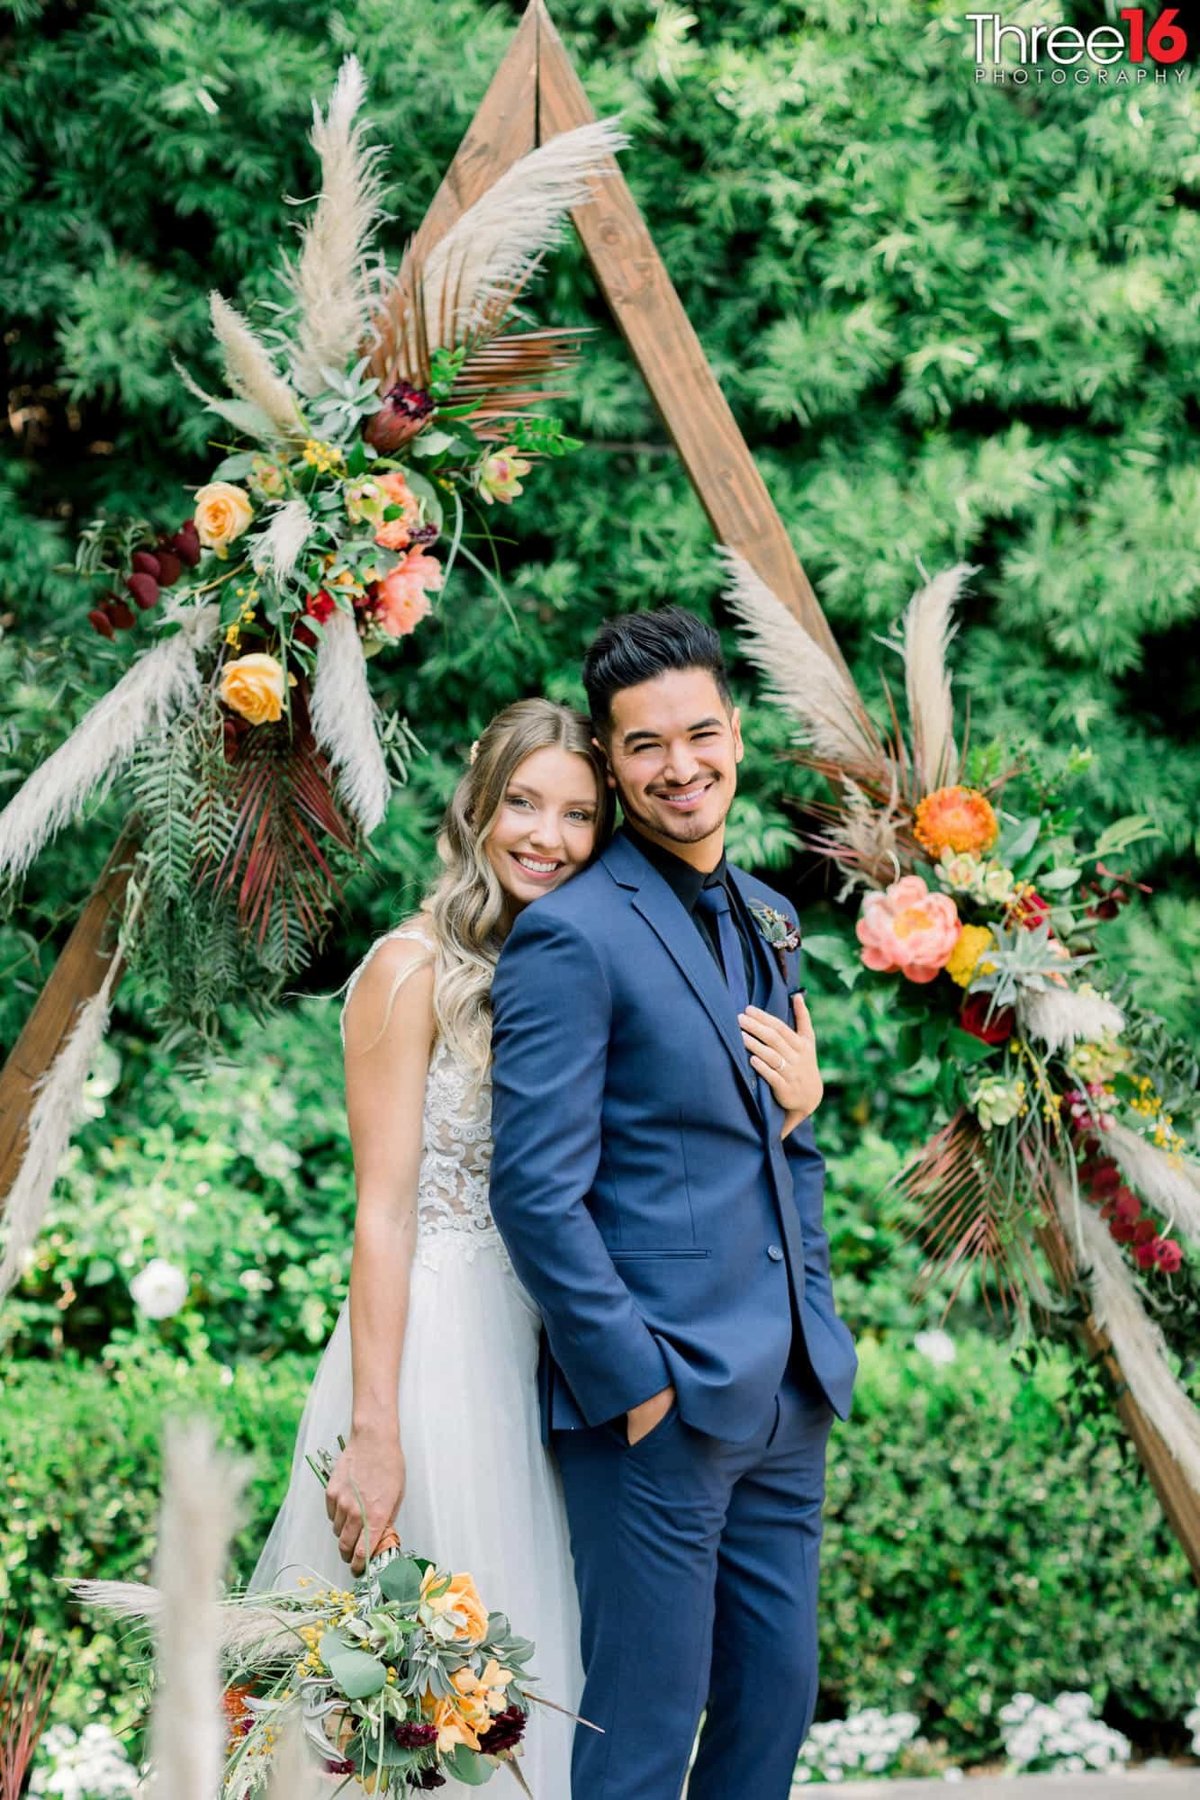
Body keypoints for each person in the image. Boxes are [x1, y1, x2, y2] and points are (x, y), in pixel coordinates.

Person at [489, 607, 858, 1800]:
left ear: (735, 737)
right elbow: (535, 1194)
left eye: (700, 734)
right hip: (660, 1412)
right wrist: (637, 1386)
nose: (679, 764)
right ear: (611, 761)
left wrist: (806, 1124)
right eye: (644, 746)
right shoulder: (571, 938)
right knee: (644, 1736)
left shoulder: (768, 914)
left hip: (787, 1390)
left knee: (772, 1713)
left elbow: (770, 1146)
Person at [250, 698, 613, 1796]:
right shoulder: (407, 972)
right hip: (440, 1357)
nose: (547, 836)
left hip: (544, 1350)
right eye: (524, 803)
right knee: (427, 1706)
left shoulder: (555, 964)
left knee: (521, 1691)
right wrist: (374, 1431)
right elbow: (384, 1211)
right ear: (478, 806)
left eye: (579, 815)